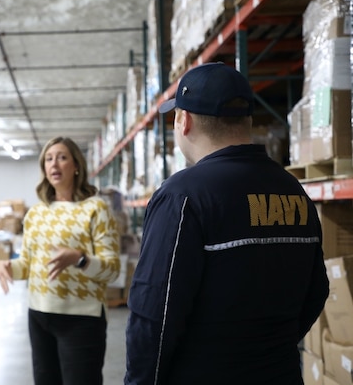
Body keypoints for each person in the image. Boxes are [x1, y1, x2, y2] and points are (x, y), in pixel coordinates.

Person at [124, 62, 329, 385]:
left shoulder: (182, 195)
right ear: (247, 120)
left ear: (183, 120)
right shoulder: (293, 190)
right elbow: (317, 290)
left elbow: (155, 314)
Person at [0, 136, 121, 385]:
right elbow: (28, 265)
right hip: (39, 315)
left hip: (82, 319)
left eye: (62, 157)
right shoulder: (37, 213)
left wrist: (80, 259)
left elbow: (113, 270)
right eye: (48, 159)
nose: (54, 164)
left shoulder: (95, 208)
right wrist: (7, 265)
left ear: (76, 166)